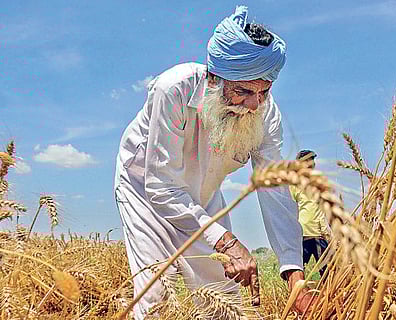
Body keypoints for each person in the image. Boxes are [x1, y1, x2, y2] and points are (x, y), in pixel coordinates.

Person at [114, 5, 315, 319]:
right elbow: (161, 184)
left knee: (223, 300)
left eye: (264, 91)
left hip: (204, 199)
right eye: (242, 91)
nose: (253, 104)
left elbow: (275, 191)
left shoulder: (265, 113)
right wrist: (227, 241)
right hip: (145, 192)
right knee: (156, 300)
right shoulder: (174, 89)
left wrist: (294, 274)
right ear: (213, 78)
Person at [290, 150, 330, 274]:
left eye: (312, 160)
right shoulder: (294, 185)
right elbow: (290, 208)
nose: (311, 163)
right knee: (298, 270)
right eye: (307, 160)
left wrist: (328, 230)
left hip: (320, 234)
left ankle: (327, 294)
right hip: (303, 233)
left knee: (327, 273)